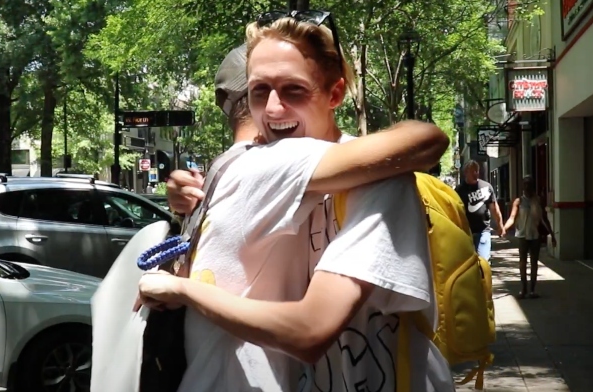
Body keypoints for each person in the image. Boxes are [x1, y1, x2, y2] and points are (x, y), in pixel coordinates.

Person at [141, 12, 454, 392]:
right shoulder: (261, 163)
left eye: (294, 91)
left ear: (335, 94)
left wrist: (181, 290)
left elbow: (310, 331)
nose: (272, 110)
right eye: (259, 91)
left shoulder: (381, 182)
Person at [502, 175, 556, 299]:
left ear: (533, 186)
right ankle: (523, 289)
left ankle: (532, 290)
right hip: (522, 236)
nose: (527, 186)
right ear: (522, 186)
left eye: (529, 183)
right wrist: (504, 228)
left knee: (534, 263)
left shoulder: (538, 200)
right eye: (525, 183)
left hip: (535, 236)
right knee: (522, 263)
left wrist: (552, 235)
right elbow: (512, 217)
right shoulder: (518, 201)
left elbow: (544, 219)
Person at [455, 160, 504, 260]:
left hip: (483, 230)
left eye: (476, 171)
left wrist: (500, 225)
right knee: (469, 263)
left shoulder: (486, 187)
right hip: (466, 232)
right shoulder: (459, 190)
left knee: (483, 261)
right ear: (466, 173)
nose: (475, 173)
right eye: (472, 171)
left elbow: (494, 208)